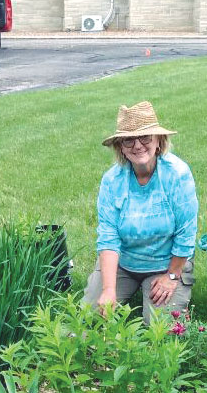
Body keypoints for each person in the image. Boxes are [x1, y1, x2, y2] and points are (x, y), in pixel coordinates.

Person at [83, 100, 198, 324]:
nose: (137, 145)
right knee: (88, 321)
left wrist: (172, 275)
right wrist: (108, 289)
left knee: (160, 332)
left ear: (158, 141)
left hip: (167, 263)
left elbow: (186, 233)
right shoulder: (111, 181)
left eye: (145, 137)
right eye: (129, 140)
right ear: (121, 147)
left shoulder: (177, 175)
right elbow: (108, 237)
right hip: (124, 263)